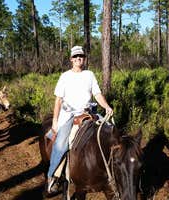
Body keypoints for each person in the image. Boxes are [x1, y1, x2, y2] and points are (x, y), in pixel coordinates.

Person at [46, 46, 113, 193]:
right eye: (75, 57)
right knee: (62, 143)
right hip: (70, 114)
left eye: (81, 56)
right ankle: (53, 177)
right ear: (71, 59)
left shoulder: (89, 75)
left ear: (84, 58)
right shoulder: (65, 76)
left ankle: (114, 170)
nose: (78, 59)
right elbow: (58, 100)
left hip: (88, 112)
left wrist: (107, 107)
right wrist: (55, 121)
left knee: (110, 130)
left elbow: (97, 94)